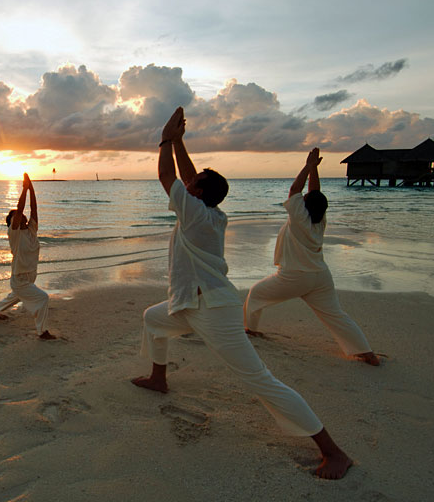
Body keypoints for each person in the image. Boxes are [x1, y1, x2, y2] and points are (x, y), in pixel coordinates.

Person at [132, 107, 353, 479]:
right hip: (189, 302)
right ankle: (159, 378)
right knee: (153, 320)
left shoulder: (196, 214)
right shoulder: (210, 212)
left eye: (194, 182)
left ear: (197, 193)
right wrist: (181, 141)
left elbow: (167, 175)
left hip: (214, 309)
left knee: (259, 379)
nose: (188, 182)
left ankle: (335, 453)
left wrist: (166, 140)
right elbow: (187, 176)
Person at [243, 148, 379, 366]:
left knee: (256, 294)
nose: (303, 197)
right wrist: (315, 169)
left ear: (304, 205)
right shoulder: (319, 219)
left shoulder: (300, 219)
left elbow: (295, 189)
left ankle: (251, 330)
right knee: (336, 316)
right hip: (320, 277)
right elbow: (314, 192)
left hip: (294, 277)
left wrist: (307, 166)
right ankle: (366, 353)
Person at [0, 173, 55, 340]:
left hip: (29, 277)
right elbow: (20, 209)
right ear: (12, 222)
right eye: (14, 217)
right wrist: (24, 189)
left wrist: (31, 188)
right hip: (19, 279)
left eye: (19, 216)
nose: (20, 216)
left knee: (14, 297)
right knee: (43, 298)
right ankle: (42, 332)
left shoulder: (31, 230)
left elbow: (34, 208)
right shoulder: (15, 233)